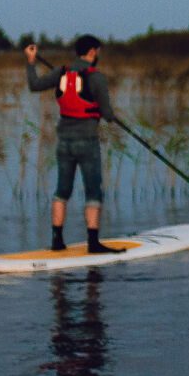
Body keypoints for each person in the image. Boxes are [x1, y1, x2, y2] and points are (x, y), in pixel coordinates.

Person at [26, 35, 116, 253]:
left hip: (64, 142)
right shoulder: (96, 77)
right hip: (87, 142)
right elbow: (107, 113)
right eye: (98, 51)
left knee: (62, 191)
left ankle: (57, 241)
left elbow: (34, 85)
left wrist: (30, 62)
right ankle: (93, 243)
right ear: (93, 52)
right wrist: (110, 116)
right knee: (93, 192)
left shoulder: (61, 72)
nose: (99, 55)